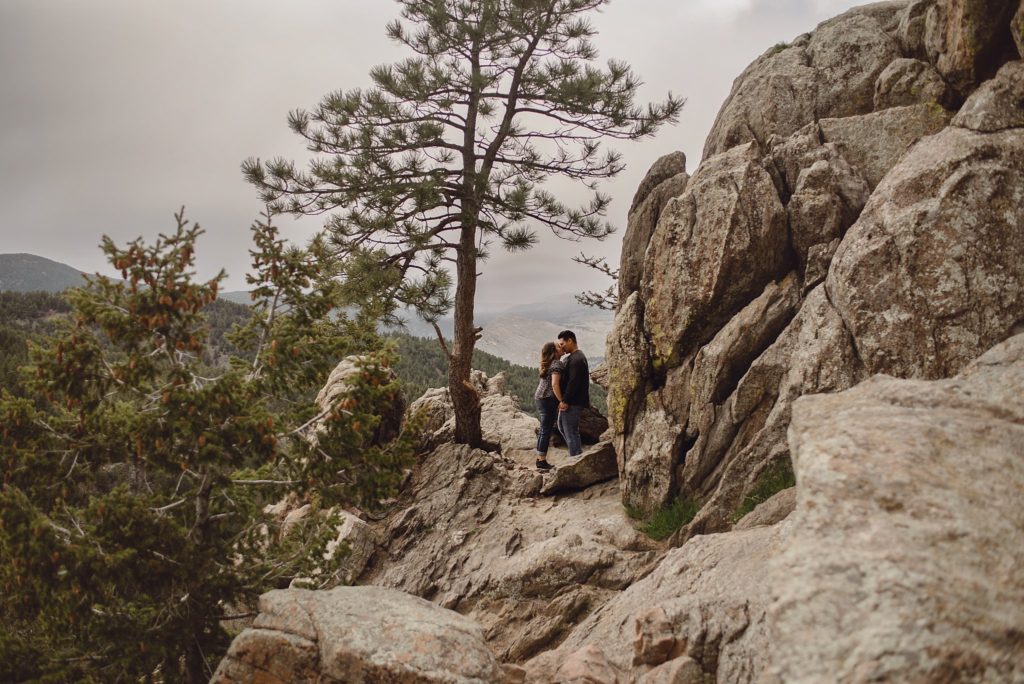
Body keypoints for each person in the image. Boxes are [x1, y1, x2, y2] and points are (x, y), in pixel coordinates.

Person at [555, 330, 589, 460]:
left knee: (571, 432)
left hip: (573, 402)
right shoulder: (574, 357)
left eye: (562, 343)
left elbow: (573, 382)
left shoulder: (577, 359)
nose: (561, 346)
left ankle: (575, 459)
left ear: (570, 340)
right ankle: (575, 455)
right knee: (564, 428)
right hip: (572, 401)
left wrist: (565, 400)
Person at [533, 340, 565, 470]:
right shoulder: (557, 363)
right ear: (554, 352)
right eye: (559, 346)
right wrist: (561, 400)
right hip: (548, 399)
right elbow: (554, 384)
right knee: (546, 430)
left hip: (540, 397)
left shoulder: (547, 364)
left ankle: (539, 458)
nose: (561, 347)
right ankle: (541, 461)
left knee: (543, 429)